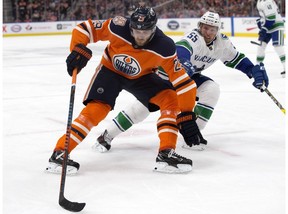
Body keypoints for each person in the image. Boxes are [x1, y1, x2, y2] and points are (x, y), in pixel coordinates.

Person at [45, 7, 205, 175]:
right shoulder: (117, 26)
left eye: (146, 31)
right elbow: (85, 28)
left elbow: (184, 83)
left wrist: (186, 114)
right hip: (110, 71)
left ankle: (166, 153)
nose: (140, 35)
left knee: (170, 98)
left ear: (154, 28)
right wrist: (78, 48)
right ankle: (60, 152)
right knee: (97, 109)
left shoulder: (164, 46)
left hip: (142, 77)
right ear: (130, 27)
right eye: (136, 31)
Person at [93, 11, 269, 153]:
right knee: (141, 110)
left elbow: (237, 59)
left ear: (217, 30)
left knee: (211, 89)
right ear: (200, 26)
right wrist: (184, 65)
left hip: (188, 77)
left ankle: (192, 135)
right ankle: (107, 136)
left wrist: (253, 71)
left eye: (212, 29)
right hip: (165, 76)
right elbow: (181, 50)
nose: (208, 32)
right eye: (205, 27)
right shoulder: (194, 38)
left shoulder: (222, 43)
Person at [255, 0, 285, 77]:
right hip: (268, 27)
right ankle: (258, 67)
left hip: (276, 26)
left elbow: (271, 18)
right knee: (260, 47)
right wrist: (260, 23)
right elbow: (264, 17)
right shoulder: (259, 2)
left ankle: (286, 67)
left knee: (278, 47)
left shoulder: (267, 1)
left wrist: (263, 29)